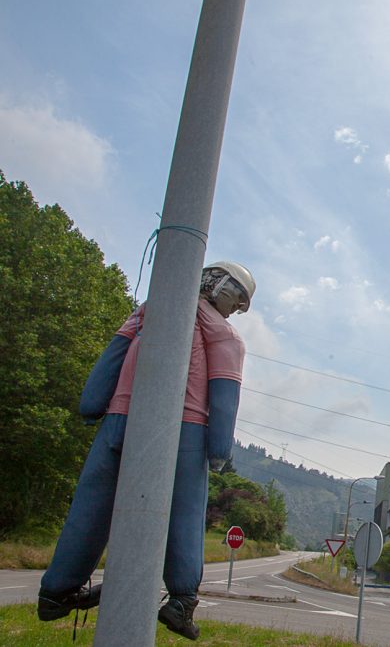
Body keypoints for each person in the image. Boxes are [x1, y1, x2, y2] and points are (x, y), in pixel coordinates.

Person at [37, 261, 255, 640]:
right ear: (221, 286)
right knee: (185, 510)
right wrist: (219, 452)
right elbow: (223, 399)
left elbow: (101, 378)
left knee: (90, 504)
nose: (237, 309)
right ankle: (182, 600)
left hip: (118, 419)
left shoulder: (146, 313)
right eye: (239, 299)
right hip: (183, 429)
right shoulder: (224, 335)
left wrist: (93, 407)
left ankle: (56, 592)